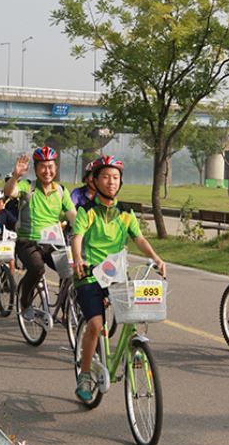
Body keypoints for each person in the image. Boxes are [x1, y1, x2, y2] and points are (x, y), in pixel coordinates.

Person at [70, 155, 166, 401]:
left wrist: (156, 258)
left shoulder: (125, 213)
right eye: (105, 176)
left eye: (115, 177)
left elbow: (139, 238)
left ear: (120, 182)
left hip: (116, 276)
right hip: (90, 276)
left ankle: (134, 350)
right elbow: (77, 236)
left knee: (135, 316)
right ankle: (85, 373)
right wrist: (79, 258)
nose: (111, 182)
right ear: (95, 180)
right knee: (95, 325)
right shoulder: (86, 211)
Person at [4, 146, 77, 320]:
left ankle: (67, 309)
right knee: (37, 269)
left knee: (73, 270)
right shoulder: (27, 187)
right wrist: (15, 176)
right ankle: (25, 301)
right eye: (43, 167)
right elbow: (9, 192)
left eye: (50, 166)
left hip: (52, 243)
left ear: (56, 168)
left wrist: (86, 233)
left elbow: (73, 216)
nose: (47, 171)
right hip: (28, 243)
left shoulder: (61, 191)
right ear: (36, 169)